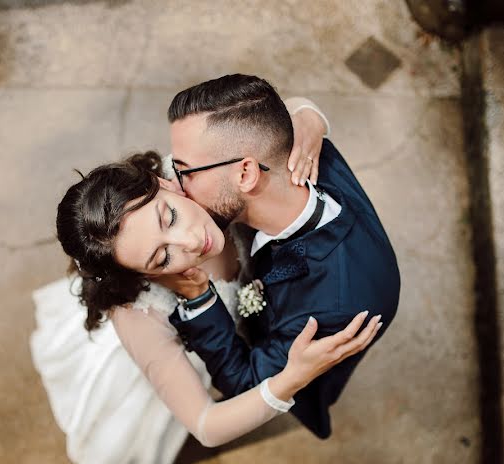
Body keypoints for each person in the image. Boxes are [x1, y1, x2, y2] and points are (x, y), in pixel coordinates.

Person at [31, 98, 381, 464]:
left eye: (170, 218)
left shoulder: (190, 169)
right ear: (144, 276)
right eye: (161, 258)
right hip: (188, 347)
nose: (191, 242)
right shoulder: (139, 316)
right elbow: (206, 425)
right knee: (137, 422)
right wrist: (290, 380)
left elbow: (271, 114)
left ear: (162, 183)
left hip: (254, 312)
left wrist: (310, 121)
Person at [163, 74, 401, 440]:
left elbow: (246, 382)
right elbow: (283, 112)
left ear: (245, 173)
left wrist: (197, 297)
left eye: (185, 171)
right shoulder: (298, 149)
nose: (176, 184)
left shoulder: (334, 306)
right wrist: (308, 110)